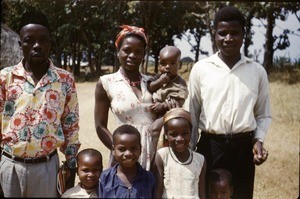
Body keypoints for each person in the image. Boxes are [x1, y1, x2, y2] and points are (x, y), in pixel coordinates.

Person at [185, 6, 271, 199]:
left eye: (235, 33)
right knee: (208, 194)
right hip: (210, 145)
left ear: (243, 35)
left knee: (241, 194)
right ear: (215, 34)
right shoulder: (201, 69)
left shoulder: (256, 71)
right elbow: (192, 111)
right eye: (222, 33)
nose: (228, 38)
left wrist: (258, 140)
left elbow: (263, 114)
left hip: (243, 147)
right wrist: (189, 150)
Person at [0, 11, 80, 197]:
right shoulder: (5, 77)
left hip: (47, 168)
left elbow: (71, 126)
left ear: (50, 43)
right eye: (29, 40)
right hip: (9, 166)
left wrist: (71, 165)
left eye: (43, 40)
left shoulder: (64, 80)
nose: (37, 46)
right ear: (20, 44)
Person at [94, 25, 156, 171]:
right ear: (118, 51)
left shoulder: (153, 82)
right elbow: (100, 126)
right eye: (127, 50)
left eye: (138, 52)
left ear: (143, 55)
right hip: (124, 155)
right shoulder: (106, 83)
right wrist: (120, 151)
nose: (132, 55)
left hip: (154, 153)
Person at [155, 108, 206, 199]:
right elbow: (157, 190)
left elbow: (202, 192)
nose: (180, 139)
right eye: (174, 134)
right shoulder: (162, 156)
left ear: (191, 132)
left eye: (185, 133)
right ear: (166, 134)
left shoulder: (200, 160)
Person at [147, 46, 188, 149]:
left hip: (169, 114)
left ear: (180, 65)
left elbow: (178, 101)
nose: (167, 67)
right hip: (155, 113)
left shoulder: (180, 83)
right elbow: (150, 87)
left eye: (172, 63)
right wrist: (160, 81)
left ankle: (153, 158)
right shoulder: (158, 77)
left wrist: (162, 106)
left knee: (154, 129)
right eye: (163, 63)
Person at [99, 124, 156, 198]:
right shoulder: (106, 178)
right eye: (122, 149)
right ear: (113, 150)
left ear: (140, 149)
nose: (128, 153)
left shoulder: (148, 178)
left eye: (133, 148)